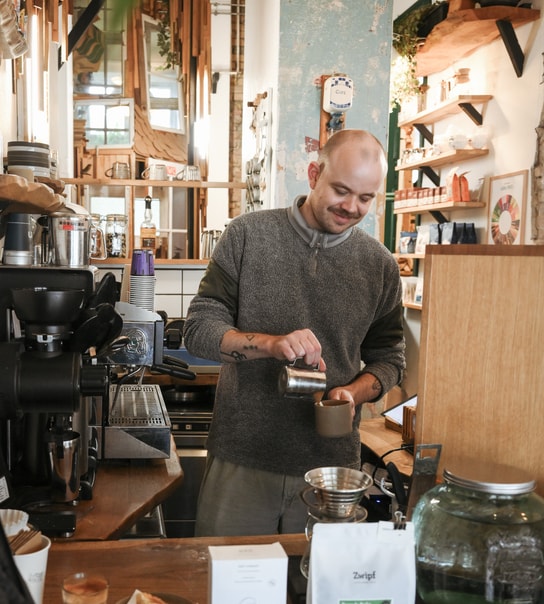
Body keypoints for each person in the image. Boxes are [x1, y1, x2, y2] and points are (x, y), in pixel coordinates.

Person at [183, 129, 406, 536]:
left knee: (318, 592)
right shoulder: (247, 235)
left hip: (332, 473)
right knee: (231, 588)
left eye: (366, 198)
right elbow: (198, 330)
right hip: (243, 458)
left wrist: (352, 393)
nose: (352, 208)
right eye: (342, 190)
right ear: (313, 173)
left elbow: (391, 359)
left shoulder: (380, 266)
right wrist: (270, 344)